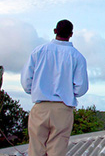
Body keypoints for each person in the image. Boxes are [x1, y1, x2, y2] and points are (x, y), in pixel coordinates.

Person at [21, 19, 89, 156]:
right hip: (62, 108)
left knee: (35, 149)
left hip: (40, 106)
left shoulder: (39, 51)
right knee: (57, 151)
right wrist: (68, 92)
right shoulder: (77, 57)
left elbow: (26, 81)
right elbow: (81, 88)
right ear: (71, 34)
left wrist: (36, 90)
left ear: (55, 31)